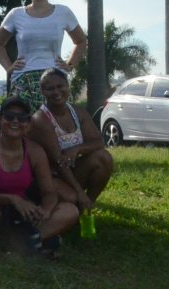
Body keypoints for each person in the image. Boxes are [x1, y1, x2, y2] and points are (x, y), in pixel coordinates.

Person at [0, 95, 79, 257]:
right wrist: (12, 199)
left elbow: (49, 193)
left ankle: (14, 242)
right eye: (9, 116)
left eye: (22, 118)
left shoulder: (35, 151)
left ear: (28, 123)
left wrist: (45, 210)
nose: (15, 121)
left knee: (70, 211)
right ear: (0, 119)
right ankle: (32, 242)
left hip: (26, 212)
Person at [0, 0, 86, 109]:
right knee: (24, 126)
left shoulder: (63, 12)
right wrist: (8, 67)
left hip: (55, 79)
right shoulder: (16, 14)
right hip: (23, 79)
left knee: (57, 127)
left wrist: (70, 65)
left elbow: (80, 40)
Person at [29, 67, 113, 210]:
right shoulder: (40, 119)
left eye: (60, 86)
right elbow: (58, 161)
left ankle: (87, 206)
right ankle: (75, 203)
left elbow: (98, 142)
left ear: (68, 86)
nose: (56, 92)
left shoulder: (78, 112)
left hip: (71, 171)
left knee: (103, 157)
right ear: (43, 92)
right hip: (49, 177)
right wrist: (79, 192)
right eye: (50, 89)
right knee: (72, 198)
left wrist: (77, 149)